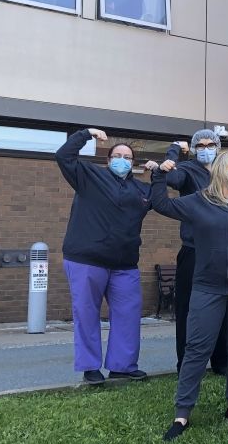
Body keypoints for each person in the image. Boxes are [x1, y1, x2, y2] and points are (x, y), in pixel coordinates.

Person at [151, 149, 228, 441]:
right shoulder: (198, 201)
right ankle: (182, 413)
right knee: (197, 347)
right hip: (207, 287)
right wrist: (159, 174)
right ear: (222, 169)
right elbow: (160, 203)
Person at [162, 122, 228, 374]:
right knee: (190, 309)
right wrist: (172, 154)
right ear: (192, 149)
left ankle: (222, 361)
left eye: (211, 145)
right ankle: (187, 364)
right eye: (199, 145)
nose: (206, 149)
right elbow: (172, 177)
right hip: (194, 250)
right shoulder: (188, 170)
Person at [55, 127, 155, 385]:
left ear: (133, 164)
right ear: (108, 160)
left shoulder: (142, 191)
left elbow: (164, 198)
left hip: (124, 264)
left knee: (128, 315)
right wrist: (86, 134)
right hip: (86, 260)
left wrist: (163, 172)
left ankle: (122, 366)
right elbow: (64, 156)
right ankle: (90, 367)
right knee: (87, 314)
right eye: (118, 155)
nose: (123, 159)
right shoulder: (88, 176)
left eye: (128, 157)